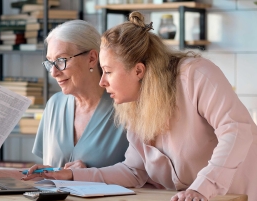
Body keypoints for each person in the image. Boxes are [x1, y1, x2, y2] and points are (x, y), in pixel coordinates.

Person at [22, 11, 257, 201]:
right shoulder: (134, 105)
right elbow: (133, 171)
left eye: (109, 72)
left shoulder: (195, 75)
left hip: (237, 196)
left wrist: (201, 189)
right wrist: (71, 175)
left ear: (138, 70)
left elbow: (237, 129)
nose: (102, 82)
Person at [0, 20, 129, 179]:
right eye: (50, 63)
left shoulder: (126, 107)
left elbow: (139, 176)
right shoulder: (54, 105)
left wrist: (85, 176)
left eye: (61, 60)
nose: (53, 73)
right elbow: (46, 176)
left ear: (92, 58)